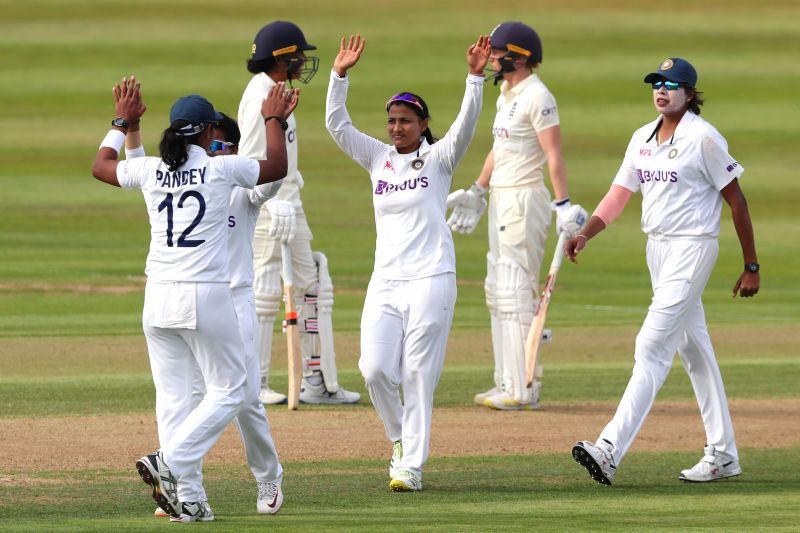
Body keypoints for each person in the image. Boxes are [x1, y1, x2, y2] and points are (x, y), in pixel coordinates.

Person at [91, 78, 296, 519]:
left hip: (157, 299)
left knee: (174, 399)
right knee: (234, 389)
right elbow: (276, 165)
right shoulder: (221, 169)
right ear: (207, 132)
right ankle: (171, 462)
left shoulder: (150, 170)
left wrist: (123, 122)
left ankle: (191, 500)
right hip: (205, 294)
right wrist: (275, 118)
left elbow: (101, 165)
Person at [566, 57, 760, 485]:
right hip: (658, 249)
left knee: (651, 346)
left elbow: (737, 201)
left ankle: (609, 450)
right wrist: (586, 233)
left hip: (693, 249)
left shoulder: (704, 138)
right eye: (657, 82)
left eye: (673, 84)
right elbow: (618, 196)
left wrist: (751, 265)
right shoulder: (642, 137)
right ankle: (724, 454)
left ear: (690, 95)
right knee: (694, 350)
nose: (662, 89)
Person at [326, 34, 491, 492]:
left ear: (421, 124)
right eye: (392, 121)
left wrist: (474, 78)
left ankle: (411, 466)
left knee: (419, 373)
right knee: (375, 369)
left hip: (432, 277)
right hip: (387, 280)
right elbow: (338, 127)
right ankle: (400, 439)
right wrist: (339, 76)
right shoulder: (378, 159)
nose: (396, 128)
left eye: (405, 121)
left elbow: (466, 124)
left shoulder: (438, 160)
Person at [446, 21, 587, 411]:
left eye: (496, 52)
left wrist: (563, 204)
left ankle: (524, 385)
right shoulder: (506, 94)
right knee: (498, 292)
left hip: (526, 201)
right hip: (502, 199)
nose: (490, 57)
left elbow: (554, 153)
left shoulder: (538, 96)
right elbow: (498, 148)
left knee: (516, 291)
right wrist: (478, 188)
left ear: (518, 56)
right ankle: (507, 380)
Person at [238, 20, 360, 405]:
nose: (303, 61)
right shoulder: (261, 95)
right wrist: (274, 201)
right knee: (263, 292)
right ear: (281, 58)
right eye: (298, 55)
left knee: (310, 286)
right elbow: (253, 161)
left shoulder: (278, 90)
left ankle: (316, 380)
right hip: (269, 208)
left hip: (292, 202)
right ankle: (254, 383)